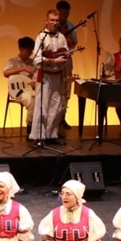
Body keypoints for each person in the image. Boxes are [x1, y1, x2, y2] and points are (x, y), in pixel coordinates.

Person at [30, 9, 71, 143]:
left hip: (57, 76)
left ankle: (51, 134)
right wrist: (53, 61)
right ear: (46, 21)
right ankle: (39, 136)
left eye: (56, 21)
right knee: (42, 106)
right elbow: (36, 59)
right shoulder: (41, 37)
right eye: (52, 20)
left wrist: (65, 56)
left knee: (56, 105)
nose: (54, 23)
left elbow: (65, 53)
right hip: (45, 76)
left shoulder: (62, 37)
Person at [3, 36, 38, 136]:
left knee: (41, 99)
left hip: (31, 89)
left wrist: (34, 81)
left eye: (31, 50)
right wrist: (22, 69)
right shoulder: (12, 61)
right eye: (28, 50)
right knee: (32, 101)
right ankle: (30, 128)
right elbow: (6, 73)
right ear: (21, 49)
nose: (30, 53)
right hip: (19, 91)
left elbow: (36, 79)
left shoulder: (33, 63)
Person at [56, 0, 79, 129]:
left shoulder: (71, 26)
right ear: (58, 12)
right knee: (56, 88)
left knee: (67, 89)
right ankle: (54, 118)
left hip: (67, 59)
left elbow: (73, 45)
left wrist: (69, 39)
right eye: (63, 13)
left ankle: (62, 117)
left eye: (67, 13)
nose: (65, 15)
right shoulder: (53, 25)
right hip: (55, 61)